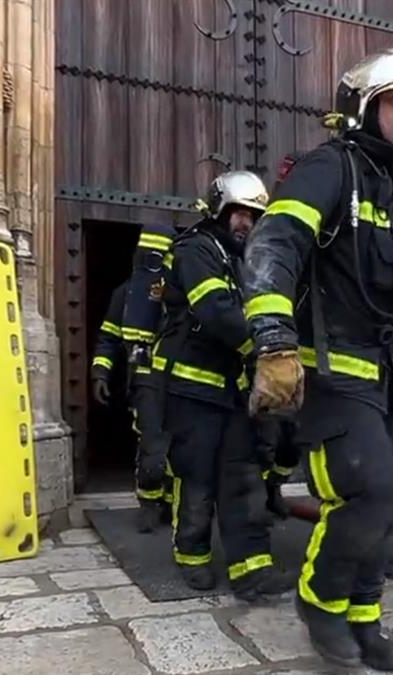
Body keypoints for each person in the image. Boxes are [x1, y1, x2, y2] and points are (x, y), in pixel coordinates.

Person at [242, 47, 393, 672]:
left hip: (385, 377)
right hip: (333, 376)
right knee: (370, 488)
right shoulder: (326, 170)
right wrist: (274, 340)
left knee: (387, 503)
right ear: (362, 108)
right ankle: (321, 602)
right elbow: (273, 247)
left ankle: (366, 617)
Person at [140, 170, 292, 602]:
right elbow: (215, 309)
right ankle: (193, 556)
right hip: (191, 388)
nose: (247, 222)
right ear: (220, 210)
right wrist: (265, 348)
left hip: (231, 388)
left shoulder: (244, 261)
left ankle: (252, 567)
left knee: (245, 474)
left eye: (255, 215)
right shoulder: (196, 250)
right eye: (241, 213)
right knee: (198, 477)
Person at [89, 223, 179, 532]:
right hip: (144, 377)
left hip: (180, 377)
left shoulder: (182, 289)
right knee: (153, 445)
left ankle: (171, 501)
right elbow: (109, 337)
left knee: (181, 446)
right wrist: (100, 372)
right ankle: (150, 503)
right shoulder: (125, 294)